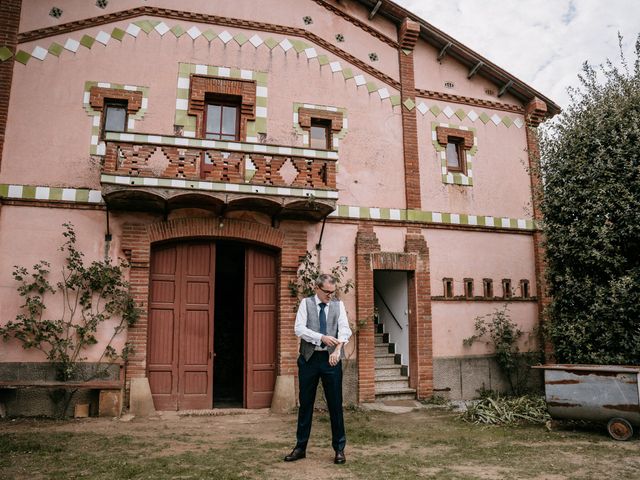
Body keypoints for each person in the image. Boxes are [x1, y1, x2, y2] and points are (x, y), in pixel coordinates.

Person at [284, 274, 352, 465]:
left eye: (333, 292)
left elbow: (345, 330)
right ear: (317, 288)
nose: (331, 295)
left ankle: (339, 449)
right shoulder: (306, 304)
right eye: (327, 292)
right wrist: (321, 337)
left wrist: (337, 349)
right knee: (305, 404)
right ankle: (300, 447)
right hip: (309, 359)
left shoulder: (338, 306)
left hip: (331, 360)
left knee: (335, 405)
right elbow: (299, 329)